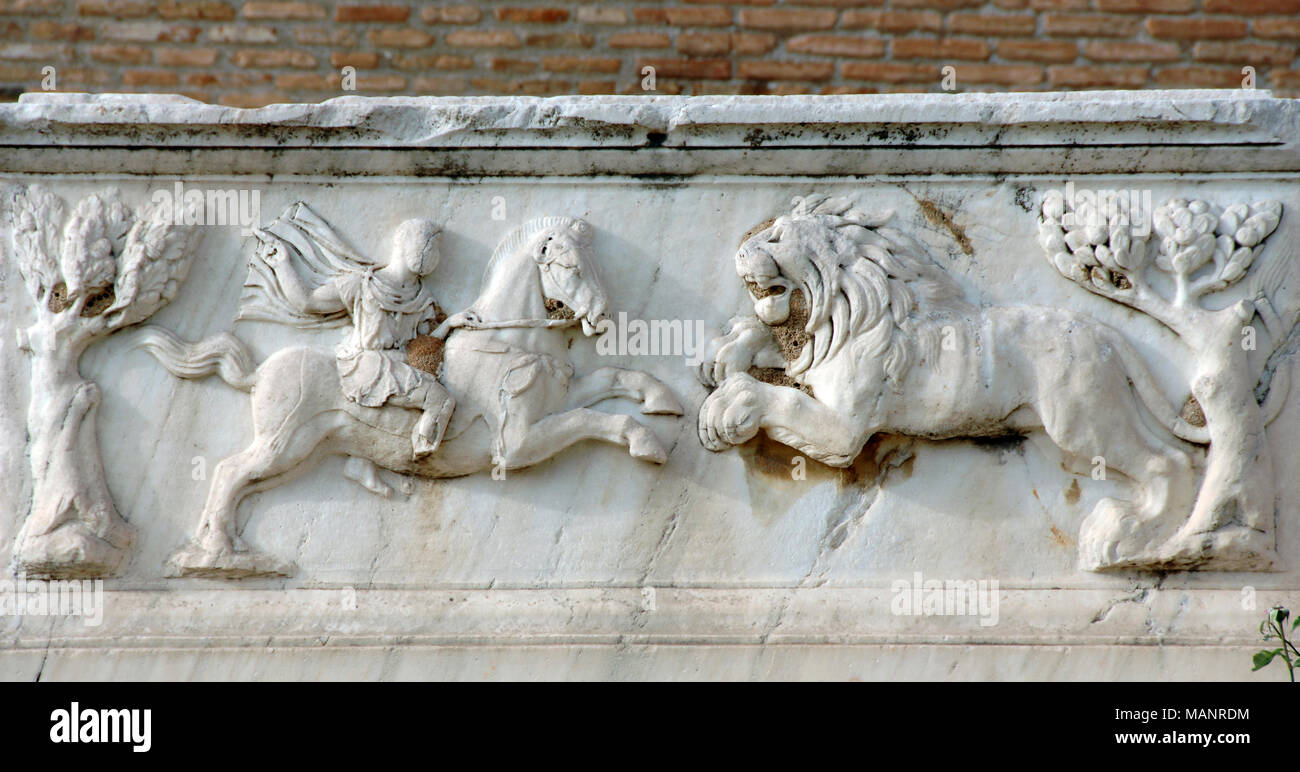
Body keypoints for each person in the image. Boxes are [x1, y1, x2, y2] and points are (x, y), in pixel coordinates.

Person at [261, 218, 455, 459]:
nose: (430, 251)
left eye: (434, 245)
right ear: (403, 243)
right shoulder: (363, 284)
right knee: (440, 400)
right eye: (426, 242)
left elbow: (423, 346)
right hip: (369, 365)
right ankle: (422, 450)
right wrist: (282, 265)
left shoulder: (423, 297)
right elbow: (308, 301)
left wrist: (449, 324)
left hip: (401, 363)